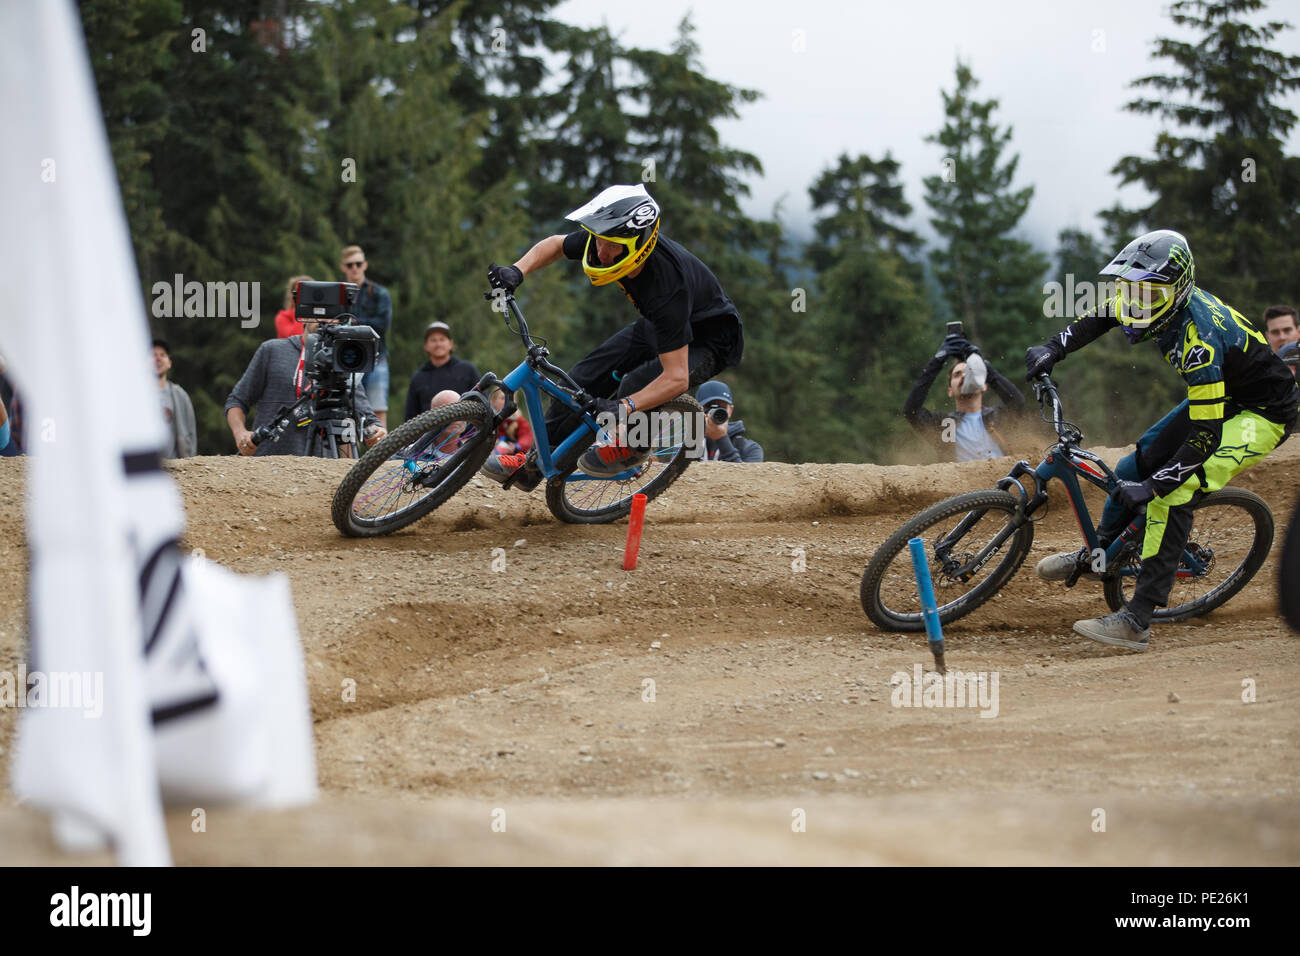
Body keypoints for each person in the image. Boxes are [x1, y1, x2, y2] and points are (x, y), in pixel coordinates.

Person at [1026, 229, 1299, 652]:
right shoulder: (1152, 295)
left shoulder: (1199, 341)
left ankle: (1138, 619)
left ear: (1178, 289)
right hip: (1226, 394)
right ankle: (1098, 553)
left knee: (1173, 492)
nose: (1137, 304)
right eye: (1132, 291)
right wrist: (1053, 348)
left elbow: (1206, 435)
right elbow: (1104, 314)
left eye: (1149, 296)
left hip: (1263, 413)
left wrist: (1156, 487)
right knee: (1133, 465)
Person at [481, 184, 743, 487]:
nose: (602, 253)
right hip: (659, 325)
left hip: (710, 339)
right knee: (579, 380)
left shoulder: (667, 287)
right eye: (600, 243)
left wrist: (625, 406)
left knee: (635, 385)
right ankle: (533, 465)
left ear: (637, 244)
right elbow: (555, 245)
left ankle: (634, 448)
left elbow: (677, 378)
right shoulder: (609, 238)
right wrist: (517, 271)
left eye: (612, 247)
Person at [224, 315, 387, 456]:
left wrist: (376, 432)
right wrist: (240, 434)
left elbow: (367, 416)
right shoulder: (272, 350)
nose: (324, 320)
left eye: (331, 315)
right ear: (305, 316)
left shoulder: (343, 361)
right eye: (319, 313)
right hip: (267, 463)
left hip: (319, 473)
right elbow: (237, 400)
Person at [904, 334, 1024, 461]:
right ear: (950, 391)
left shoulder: (997, 417)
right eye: (957, 374)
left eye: (969, 373)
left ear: (983, 386)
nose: (964, 376)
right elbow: (912, 411)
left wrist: (984, 368)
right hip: (959, 480)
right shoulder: (945, 425)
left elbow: (1017, 402)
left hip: (1001, 479)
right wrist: (937, 361)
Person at [341, 245, 393, 426]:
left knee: (378, 409)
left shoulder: (379, 293)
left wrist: (351, 323)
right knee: (344, 412)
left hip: (375, 357)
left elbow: (382, 325)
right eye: (350, 265)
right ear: (343, 267)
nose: (354, 268)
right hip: (345, 359)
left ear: (365, 265)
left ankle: (382, 453)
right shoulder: (338, 294)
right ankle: (346, 456)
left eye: (358, 263)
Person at [403, 321, 480, 423]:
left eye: (442, 339)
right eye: (433, 340)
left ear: (450, 344)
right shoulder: (418, 378)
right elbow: (410, 417)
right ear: (426, 346)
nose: (438, 344)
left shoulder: (468, 370)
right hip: (429, 436)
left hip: (466, 435)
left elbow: (481, 404)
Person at [697, 380, 763, 462]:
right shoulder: (685, 442)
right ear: (697, 410)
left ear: (730, 411)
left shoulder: (749, 448)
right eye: (708, 408)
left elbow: (745, 475)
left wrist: (721, 439)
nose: (714, 414)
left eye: (721, 409)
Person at [152, 338, 197, 458]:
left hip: (175, 468)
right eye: (153, 355)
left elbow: (190, 433)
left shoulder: (180, 395)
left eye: (162, 355)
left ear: (169, 363)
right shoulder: (136, 396)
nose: (158, 358)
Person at [490, 387, 533, 456]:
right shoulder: (490, 418)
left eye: (510, 399)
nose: (507, 402)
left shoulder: (518, 419)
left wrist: (517, 446)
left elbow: (527, 437)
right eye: (503, 398)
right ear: (493, 401)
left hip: (514, 454)